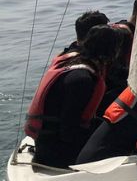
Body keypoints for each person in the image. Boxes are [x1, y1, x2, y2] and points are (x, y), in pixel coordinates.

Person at [25, 25, 119, 168]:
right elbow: (68, 130)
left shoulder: (75, 64)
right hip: (55, 151)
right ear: (110, 51)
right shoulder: (82, 80)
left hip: (48, 140)